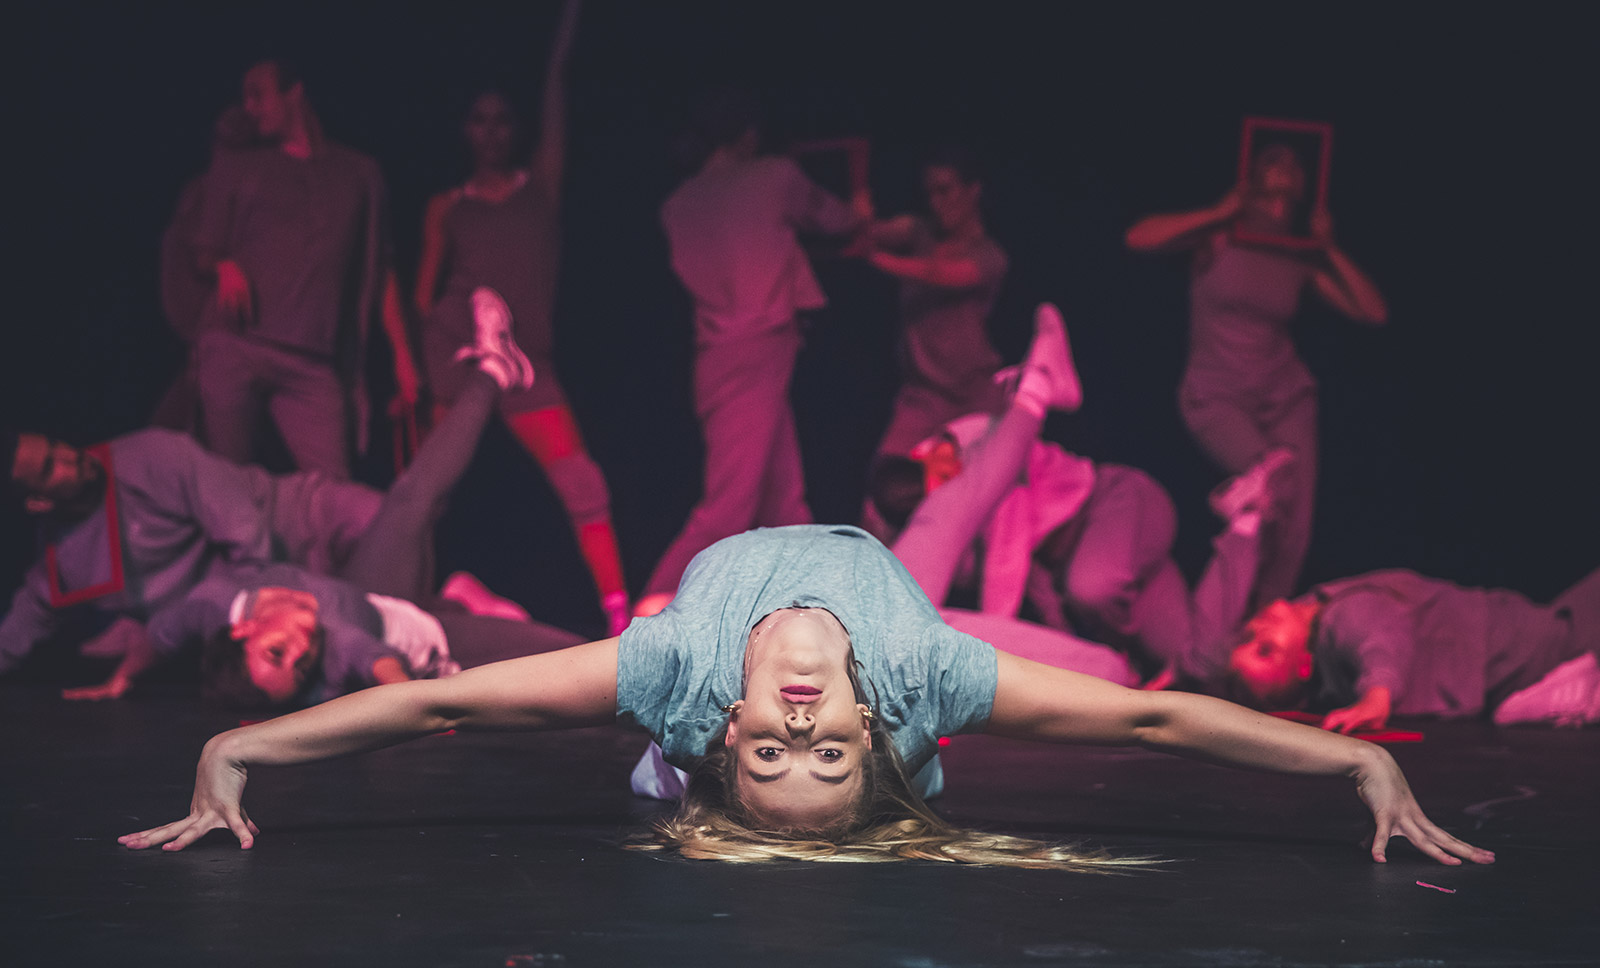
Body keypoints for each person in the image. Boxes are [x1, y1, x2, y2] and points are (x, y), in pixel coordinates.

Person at [120, 312, 1492, 871]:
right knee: (1050, 626)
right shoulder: (912, 678)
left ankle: (676, 778)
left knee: (617, 691)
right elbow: (1156, 724)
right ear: (865, 730)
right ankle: (1032, 395)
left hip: (702, 652)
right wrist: (1352, 761)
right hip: (904, 617)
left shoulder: (678, 672)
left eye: (772, 753)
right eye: (820, 751)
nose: (792, 725)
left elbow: (444, 707)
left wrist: (241, 743)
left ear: (727, 731)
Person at [149, 301, 580, 708]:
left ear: (242, 629)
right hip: (427, 641)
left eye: (277, 651)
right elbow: (374, 659)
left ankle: (496, 368)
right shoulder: (335, 647)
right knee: (563, 658)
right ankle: (461, 609)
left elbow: (160, 635)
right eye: (300, 669)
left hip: (373, 588)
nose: (301, 651)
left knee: (409, 498)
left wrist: (123, 675)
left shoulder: (214, 602)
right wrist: (412, 703)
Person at [412, 1, 628, 635]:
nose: (492, 132)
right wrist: (421, 370)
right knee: (427, 490)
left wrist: (567, 28)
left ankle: (619, 622)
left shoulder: (540, 187)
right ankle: (404, 602)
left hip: (529, 366)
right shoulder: (447, 206)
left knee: (584, 487)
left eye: (502, 120)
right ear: (466, 131)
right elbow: (424, 296)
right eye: (480, 121)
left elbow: (556, 87)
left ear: (515, 129)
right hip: (462, 358)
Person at [636, 87, 869, 613]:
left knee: (786, 503)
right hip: (756, 350)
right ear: (748, 136)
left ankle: (825, 607)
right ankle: (644, 620)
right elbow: (837, 220)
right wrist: (860, 210)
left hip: (723, 358)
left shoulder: (677, 205)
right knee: (727, 508)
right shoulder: (774, 177)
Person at [1125, 142, 1388, 607]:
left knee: (1294, 525)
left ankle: (1264, 622)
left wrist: (1328, 248)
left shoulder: (1297, 254)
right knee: (1270, 487)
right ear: (1252, 173)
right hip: (1217, 394)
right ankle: (1223, 613)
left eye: (1294, 161)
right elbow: (1139, 238)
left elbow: (1373, 312)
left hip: (1285, 395)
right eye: (1272, 158)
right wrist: (1218, 213)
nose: (1284, 165)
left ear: (1305, 184)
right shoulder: (1222, 236)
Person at [1, 426, 382, 697]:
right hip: (282, 608)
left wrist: (256, 608)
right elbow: (29, 615)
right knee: (372, 635)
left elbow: (245, 532)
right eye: (50, 467)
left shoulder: (147, 455)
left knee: (386, 517)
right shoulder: (69, 558)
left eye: (56, 445)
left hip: (295, 524)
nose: (69, 455)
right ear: (38, 501)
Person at [192, 57, 420, 478]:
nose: (249, 108)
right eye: (244, 99)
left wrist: (403, 357)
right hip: (236, 345)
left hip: (311, 363)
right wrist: (223, 265)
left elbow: (380, 269)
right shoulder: (240, 163)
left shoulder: (358, 173)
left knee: (336, 492)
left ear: (293, 92)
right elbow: (203, 250)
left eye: (259, 95)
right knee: (229, 486)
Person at [1221, 568, 1600, 732]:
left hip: (1517, 645)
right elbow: (1380, 638)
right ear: (1304, 665)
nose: (1258, 630)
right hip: (1528, 653)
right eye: (1266, 650)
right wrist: (1377, 696)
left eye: (1245, 637)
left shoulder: (1318, 608)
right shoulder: (1337, 621)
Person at [860, 146, 1009, 458]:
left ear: (972, 191)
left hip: (975, 394)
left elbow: (940, 274)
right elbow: (871, 232)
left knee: (996, 477)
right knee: (889, 474)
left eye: (945, 191)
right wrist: (860, 216)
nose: (936, 203)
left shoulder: (990, 255)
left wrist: (878, 259)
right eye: (930, 193)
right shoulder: (918, 231)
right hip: (923, 395)